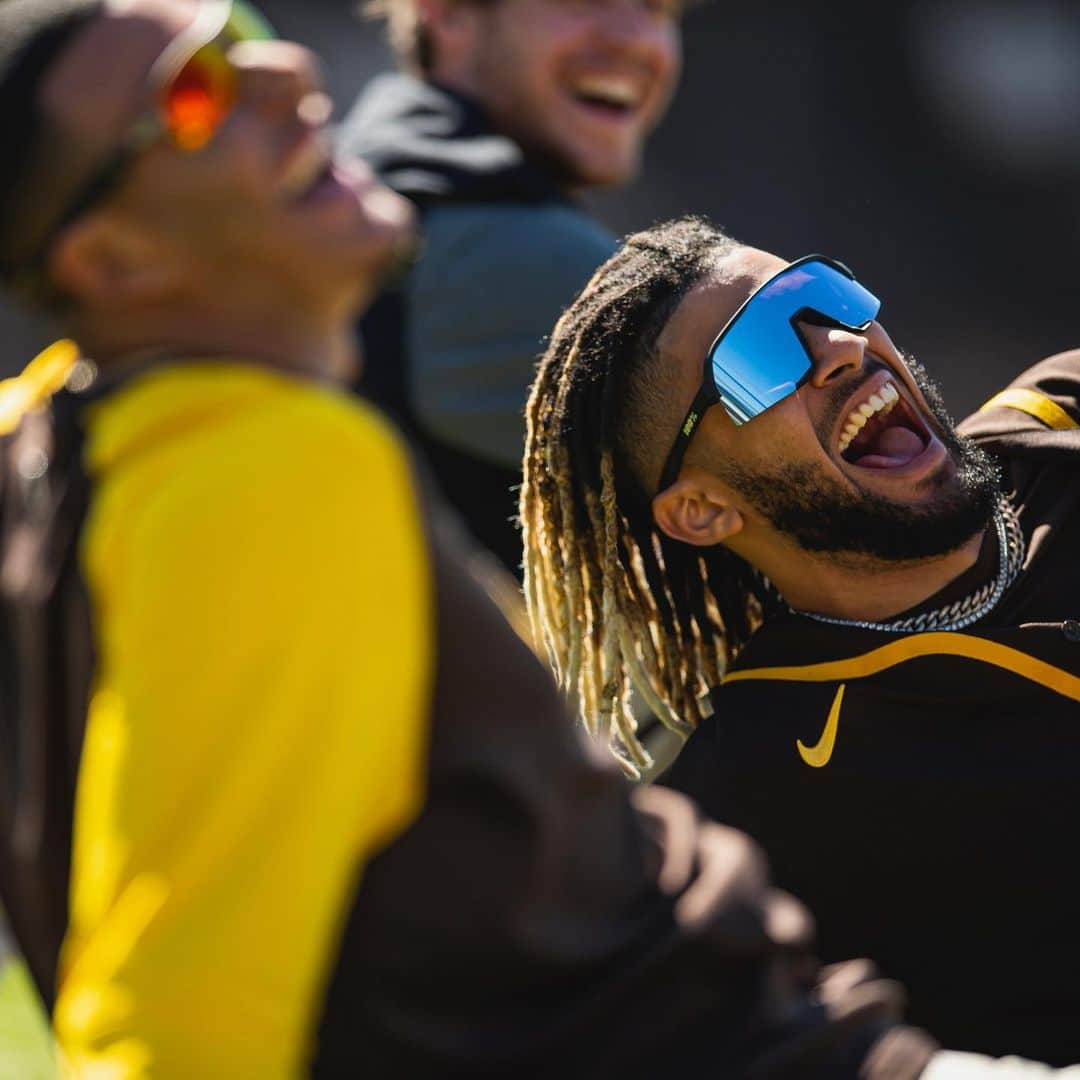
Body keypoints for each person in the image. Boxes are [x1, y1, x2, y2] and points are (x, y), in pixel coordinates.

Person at [0, 1, 947, 1075]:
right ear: (114, 260)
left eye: (240, 33)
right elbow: (177, 1027)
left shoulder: (61, 438)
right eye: (193, 93)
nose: (285, 69)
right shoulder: (284, 453)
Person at [521, 215, 1080, 1064]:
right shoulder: (752, 812)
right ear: (702, 510)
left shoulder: (1064, 408)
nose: (839, 347)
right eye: (760, 360)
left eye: (818, 298)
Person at [339, 0, 681, 573]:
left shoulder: (365, 185)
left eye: (659, 7)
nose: (636, 40)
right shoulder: (536, 259)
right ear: (444, 13)